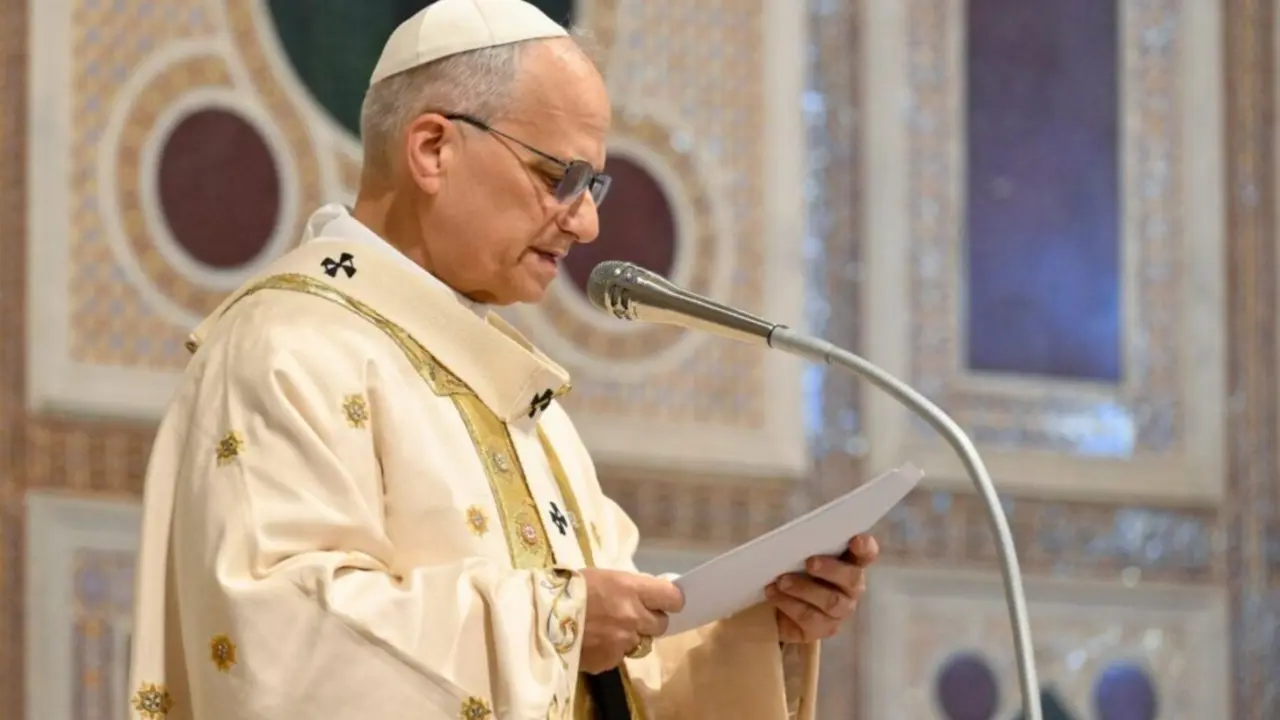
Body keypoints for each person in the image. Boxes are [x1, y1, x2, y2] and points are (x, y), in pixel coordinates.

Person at [125, 0, 880, 718]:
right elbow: (276, 649)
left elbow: (607, 676)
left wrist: (762, 630)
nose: (586, 224)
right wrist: (553, 625)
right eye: (563, 178)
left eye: (596, 185)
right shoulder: (285, 347)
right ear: (432, 148)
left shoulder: (513, 394)